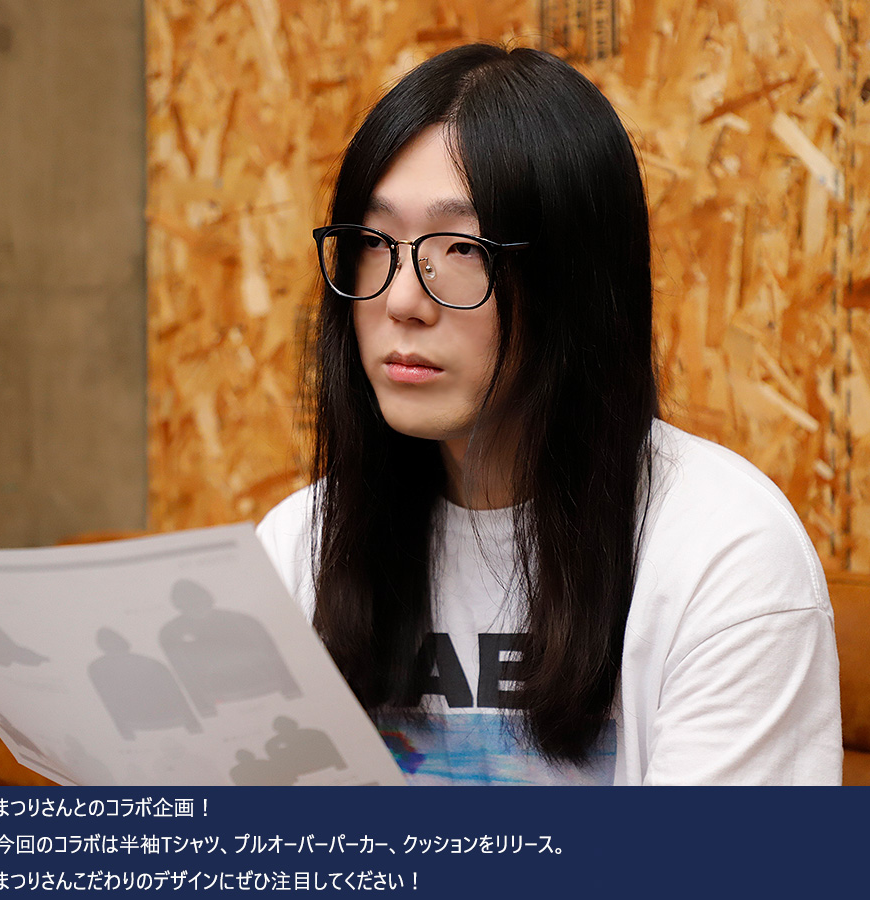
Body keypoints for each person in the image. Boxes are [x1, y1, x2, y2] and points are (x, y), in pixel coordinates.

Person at [257, 44, 842, 785]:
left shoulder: (725, 556)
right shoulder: (301, 545)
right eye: (374, 243)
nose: (401, 299)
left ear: (574, 281)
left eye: (462, 248)